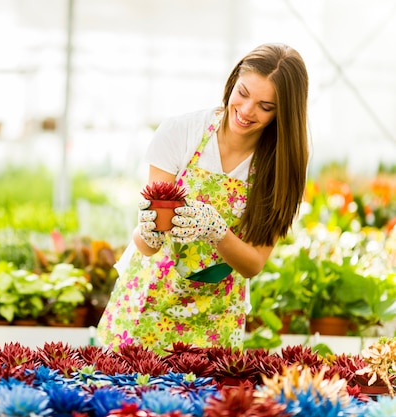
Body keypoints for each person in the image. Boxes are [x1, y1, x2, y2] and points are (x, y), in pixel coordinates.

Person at [96, 43, 309, 354]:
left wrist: (217, 231)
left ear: (284, 113)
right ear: (233, 79)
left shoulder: (280, 165)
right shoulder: (181, 132)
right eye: (243, 92)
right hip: (148, 300)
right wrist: (148, 228)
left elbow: (252, 264)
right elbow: (148, 245)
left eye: (266, 106)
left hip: (215, 315)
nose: (247, 111)